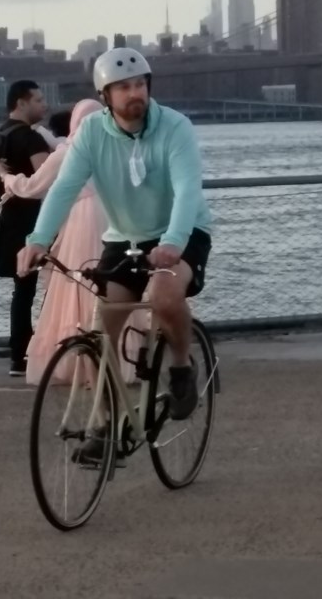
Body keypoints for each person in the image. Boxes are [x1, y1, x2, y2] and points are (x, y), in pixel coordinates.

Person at [17, 47, 213, 437]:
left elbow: (188, 188)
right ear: (105, 96)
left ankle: (180, 366)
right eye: (123, 87)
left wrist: (173, 242)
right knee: (104, 326)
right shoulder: (91, 133)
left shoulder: (175, 127)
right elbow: (64, 188)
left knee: (163, 294)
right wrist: (37, 240)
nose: (134, 93)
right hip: (124, 237)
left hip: (182, 230)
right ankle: (105, 426)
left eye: (140, 84)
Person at [0, 99, 140, 386]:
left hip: (80, 223)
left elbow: (32, 188)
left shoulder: (68, 152)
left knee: (77, 283)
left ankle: (78, 356)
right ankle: (117, 361)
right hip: (116, 221)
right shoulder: (115, 148)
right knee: (112, 287)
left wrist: (5, 177)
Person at [0, 80, 51, 377]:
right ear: (21, 102)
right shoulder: (29, 138)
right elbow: (46, 181)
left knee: (22, 288)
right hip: (36, 219)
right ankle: (40, 351)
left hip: (10, 217)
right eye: (39, 100)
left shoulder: (1, 134)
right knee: (48, 286)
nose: (44, 105)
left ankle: (19, 355)